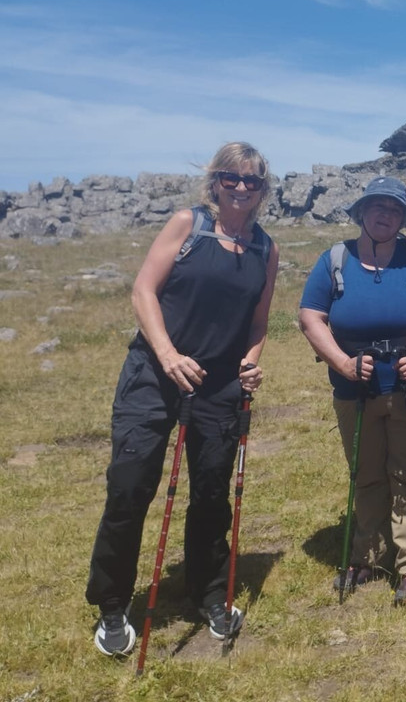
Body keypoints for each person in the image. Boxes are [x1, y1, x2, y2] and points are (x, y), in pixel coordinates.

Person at [86, 142, 279, 657]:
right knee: (130, 486)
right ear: (214, 181)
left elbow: (257, 320)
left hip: (220, 383)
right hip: (154, 373)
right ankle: (111, 605)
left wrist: (251, 361)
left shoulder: (265, 247)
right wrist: (169, 355)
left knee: (213, 491)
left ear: (264, 189)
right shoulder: (187, 225)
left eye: (252, 181)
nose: (241, 188)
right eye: (231, 178)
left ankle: (211, 592)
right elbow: (143, 291)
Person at [298, 176, 406, 606]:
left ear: (404, 219)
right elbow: (311, 317)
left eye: (395, 210)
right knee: (365, 471)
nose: (386, 216)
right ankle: (368, 553)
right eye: (377, 207)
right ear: (362, 213)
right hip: (356, 389)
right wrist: (344, 364)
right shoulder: (334, 260)